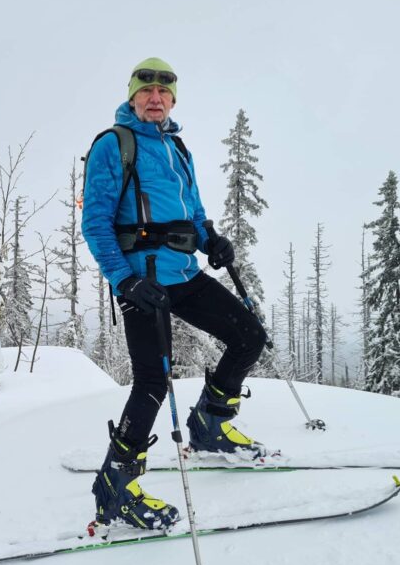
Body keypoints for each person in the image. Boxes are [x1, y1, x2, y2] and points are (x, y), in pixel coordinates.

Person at [81, 58, 268, 531]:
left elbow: (196, 211)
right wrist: (125, 281)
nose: (155, 98)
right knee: (152, 382)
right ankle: (115, 486)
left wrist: (212, 240)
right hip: (142, 280)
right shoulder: (113, 145)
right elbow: (95, 223)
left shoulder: (178, 148)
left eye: (164, 92)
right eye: (147, 90)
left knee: (249, 336)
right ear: (132, 96)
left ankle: (210, 424)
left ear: (173, 100)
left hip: (183, 275)